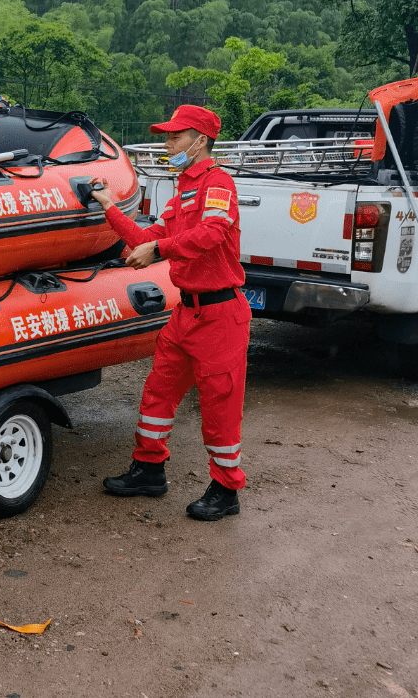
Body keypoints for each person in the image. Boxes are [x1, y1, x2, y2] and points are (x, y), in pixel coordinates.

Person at [89, 104, 250, 521]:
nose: (168, 144)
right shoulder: (183, 192)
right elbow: (146, 238)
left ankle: (226, 490)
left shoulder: (217, 184)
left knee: (219, 407)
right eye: (167, 137)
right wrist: (109, 206)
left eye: (176, 137)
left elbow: (212, 233)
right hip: (186, 314)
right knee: (157, 392)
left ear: (200, 141)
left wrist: (159, 249)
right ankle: (148, 470)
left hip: (220, 316)